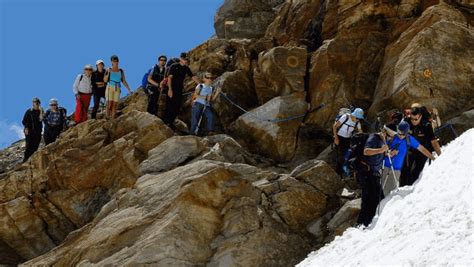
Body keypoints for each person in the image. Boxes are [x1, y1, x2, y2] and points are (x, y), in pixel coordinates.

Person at [381, 121, 435, 196]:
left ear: (406, 133)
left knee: (390, 193)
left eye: (402, 134)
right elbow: (382, 148)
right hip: (385, 167)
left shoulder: (409, 139)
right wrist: (388, 153)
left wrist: (433, 158)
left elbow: (422, 149)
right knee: (382, 190)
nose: (399, 135)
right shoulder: (392, 136)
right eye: (398, 133)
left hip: (396, 170)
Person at [400, 106, 442, 186]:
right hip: (411, 149)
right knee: (405, 168)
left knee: (417, 170)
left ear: (420, 116)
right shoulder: (406, 122)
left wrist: (440, 157)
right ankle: (401, 189)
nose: (413, 121)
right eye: (412, 119)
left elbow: (434, 142)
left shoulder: (426, 125)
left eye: (416, 119)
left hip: (424, 150)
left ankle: (411, 188)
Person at [356, 130, 388, 227]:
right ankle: (362, 222)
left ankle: (371, 220)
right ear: (385, 132)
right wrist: (381, 150)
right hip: (365, 172)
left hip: (373, 172)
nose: (390, 138)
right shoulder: (373, 137)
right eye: (389, 136)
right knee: (368, 196)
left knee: (377, 196)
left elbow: (380, 155)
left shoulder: (383, 140)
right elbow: (366, 151)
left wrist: (387, 153)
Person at [164, 52, 199, 127]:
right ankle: (167, 122)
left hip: (179, 89)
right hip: (171, 88)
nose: (185, 60)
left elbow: (192, 77)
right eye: (184, 59)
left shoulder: (186, 68)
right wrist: (170, 90)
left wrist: (200, 84)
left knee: (177, 105)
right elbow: (169, 78)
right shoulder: (174, 66)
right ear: (180, 58)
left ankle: (172, 122)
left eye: (186, 59)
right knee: (170, 105)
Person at [333, 108, 364, 175]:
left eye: (359, 118)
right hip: (339, 137)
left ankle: (344, 170)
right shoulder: (346, 117)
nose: (358, 119)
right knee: (340, 156)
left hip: (347, 139)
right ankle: (338, 173)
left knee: (346, 155)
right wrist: (336, 138)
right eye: (357, 118)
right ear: (354, 115)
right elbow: (335, 126)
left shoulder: (357, 122)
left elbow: (360, 132)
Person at [104, 55, 132, 119]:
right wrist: (108, 73)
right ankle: (107, 117)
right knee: (109, 103)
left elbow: (124, 81)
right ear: (111, 62)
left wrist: (129, 89)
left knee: (115, 104)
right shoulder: (109, 69)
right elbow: (105, 80)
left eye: (116, 61)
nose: (115, 62)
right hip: (110, 87)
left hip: (117, 88)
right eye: (114, 61)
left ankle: (112, 119)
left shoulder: (121, 71)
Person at [22, 97, 44, 162]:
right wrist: (26, 128)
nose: (36, 104)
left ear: (39, 104)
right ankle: (25, 160)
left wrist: (41, 111)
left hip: (38, 131)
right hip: (30, 131)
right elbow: (24, 121)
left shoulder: (41, 111)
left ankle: (31, 160)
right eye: (35, 103)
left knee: (36, 145)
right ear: (33, 103)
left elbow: (41, 119)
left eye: (37, 103)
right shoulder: (29, 111)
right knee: (29, 145)